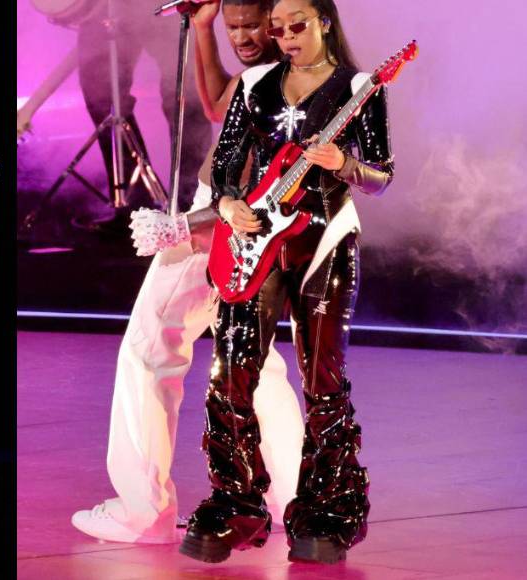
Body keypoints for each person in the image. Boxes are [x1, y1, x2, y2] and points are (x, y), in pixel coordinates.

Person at [70, 0, 304, 545]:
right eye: (233, 27)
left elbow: (250, 185)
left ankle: (141, 510)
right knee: (255, 360)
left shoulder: (277, 81)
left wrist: (184, 227)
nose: (242, 37)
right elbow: (219, 106)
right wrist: (203, 29)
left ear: (277, 21)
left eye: (251, 26)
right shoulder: (284, 68)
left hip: (221, 220)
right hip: (238, 220)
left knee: (149, 349)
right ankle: (295, 497)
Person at [180, 0, 393, 564]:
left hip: (325, 237)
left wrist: (343, 166)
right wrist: (228, 206)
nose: (285, 37)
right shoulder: (255, 84)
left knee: (322, 377)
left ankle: (329, 508)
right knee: (229, 368)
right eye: (278, 28)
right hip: (257, 237)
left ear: (324, 19)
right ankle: (237, 503)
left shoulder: (361, 86)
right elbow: (227, 164)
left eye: (297, 25)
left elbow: (381, 176)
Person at [74, 0, 211, 223]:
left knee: (183, 87)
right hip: (103, 7)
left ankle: (193, 202)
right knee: (99, 90)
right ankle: (133, 203)